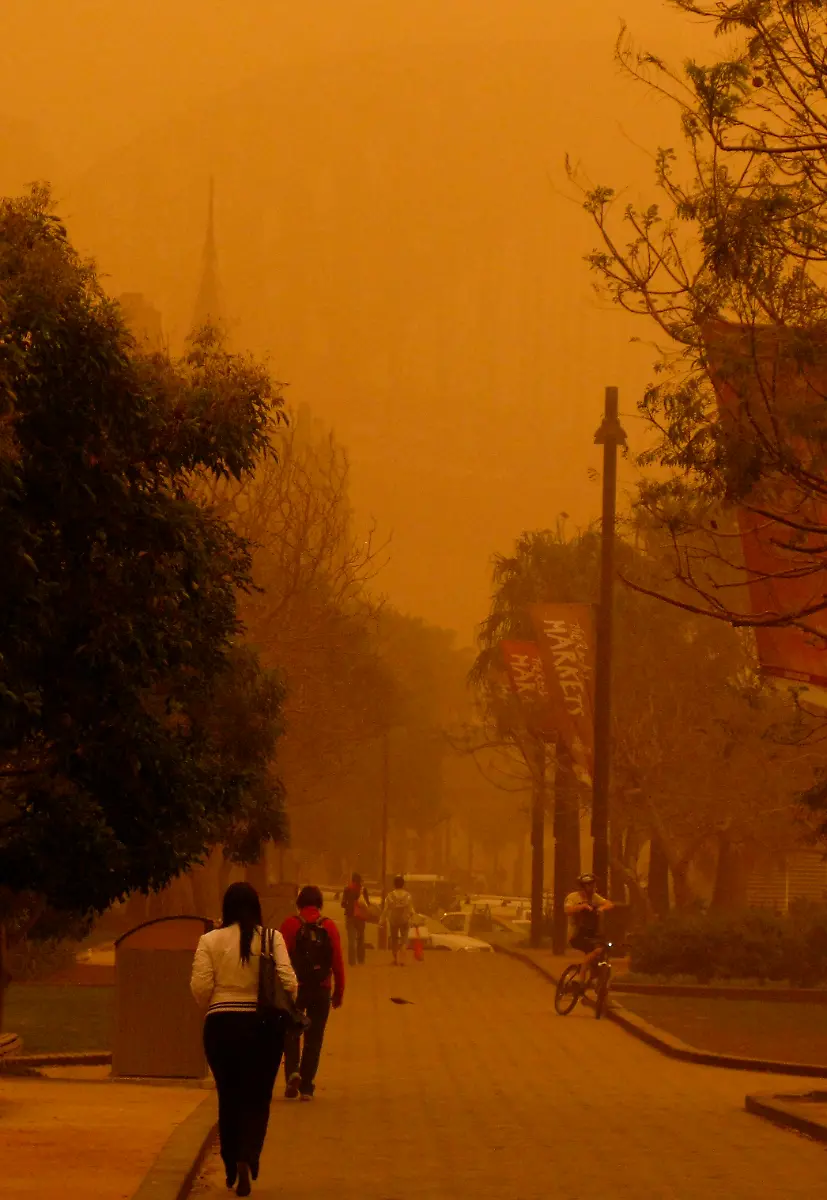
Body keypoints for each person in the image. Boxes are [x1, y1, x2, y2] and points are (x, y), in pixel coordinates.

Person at [190, 881, 297, 1197]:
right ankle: (249, 1157)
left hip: (222, 1026)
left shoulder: (209, 941)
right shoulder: (271, 938)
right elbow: (289, 982)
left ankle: (231, 1161)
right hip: (262, 1027)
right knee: (258, 1097)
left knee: (230, 1095)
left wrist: (217, 1001)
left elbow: (200, 989)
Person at [279, 885, 345, 1101]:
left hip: (294, 988)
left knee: (291, 1032)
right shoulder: (329, 926)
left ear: (299, 904)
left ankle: (292, 1073)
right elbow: (337, 963)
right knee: (314, 1038)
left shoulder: (290, 925)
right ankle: (307, 1087)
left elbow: (278, 959)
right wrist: (338, 993)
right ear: (319, 904)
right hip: (321, 988)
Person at [563, 872, 614, 992]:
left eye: (593, 885)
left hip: (591, 934)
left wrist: (602, 908)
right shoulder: (573, 897)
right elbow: (567, 909)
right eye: (589, 885)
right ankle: (581, 982)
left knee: (602, 950)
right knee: (596, 950)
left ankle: (595, 978)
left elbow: (609, 904)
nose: (593, 887)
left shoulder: (595, 897)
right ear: (583, 886)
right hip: (576, 935)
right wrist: (582, 907)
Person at [381, 874, 415, 966]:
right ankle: (403, 955)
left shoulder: (390, 895)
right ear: (403, 884)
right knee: (404, 938)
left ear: (394, 884)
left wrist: (382, 920)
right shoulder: (407, 895)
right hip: (404, 919)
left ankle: (395, 959)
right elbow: (411, 910)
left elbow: (385, 909)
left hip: (393, 919)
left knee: (394, 939)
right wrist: (411, 917)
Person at [341, 872, 369, 967]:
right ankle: (361, 960)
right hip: (361, 918)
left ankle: (352, 962)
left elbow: (343, 904)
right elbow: (367, 904)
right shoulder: (363, 890)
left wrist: (349, 905)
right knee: (361, 939)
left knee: (351, 940)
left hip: (350, 916)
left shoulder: (347, 889)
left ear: (352, 880)